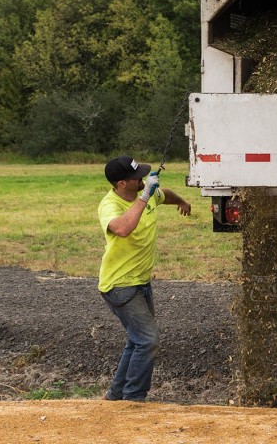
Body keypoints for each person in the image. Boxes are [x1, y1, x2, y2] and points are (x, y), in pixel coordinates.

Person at [97, 156, 192, 401]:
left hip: (140, 282)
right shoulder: (110, 205)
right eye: (136, 177)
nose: (142, 179)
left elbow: (164, 194)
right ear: (120, 184)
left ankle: (116, 396)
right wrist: (144, 196)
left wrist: (180, 201)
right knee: (148, 340)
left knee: (137, 340)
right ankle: (134, 398)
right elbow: (122, 229)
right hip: (120, 285)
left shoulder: (147, 194)